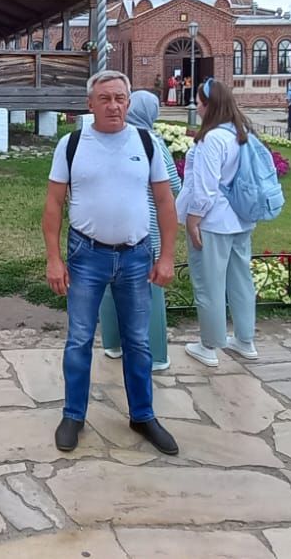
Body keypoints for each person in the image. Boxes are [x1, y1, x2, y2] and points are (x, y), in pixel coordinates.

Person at [44, 70, 179, 456]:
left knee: (138, 340)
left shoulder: (146, 142)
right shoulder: (71, 145)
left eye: (120, 98)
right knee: (80, 339)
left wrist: (167, 256)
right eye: (105, 99)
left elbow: (166, 202)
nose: (113, 105)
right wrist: (54, 259)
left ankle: (143, 415)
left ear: (129, 103)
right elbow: (54, 204)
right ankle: (73, 415)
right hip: (87, 256)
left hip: (136, 256)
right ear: (90, 104)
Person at [179, 78, 261, 367]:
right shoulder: (241, 133)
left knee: (209, 283)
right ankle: (245, 339)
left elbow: (206, 187)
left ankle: (209, 345)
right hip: (241, 218)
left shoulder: (211, 139)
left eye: (199, 101)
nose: (197, 106)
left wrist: (193, 219)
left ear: (210, 105)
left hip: (213, 222)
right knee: (240, 280)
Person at [100, 91, 180, 372]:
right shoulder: (152, 143)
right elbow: (172, 189)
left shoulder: (107, 140)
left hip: (108, 230)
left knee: (110, 285)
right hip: (145, 233)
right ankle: (156, 355)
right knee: (148, 293)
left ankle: (112, 343)